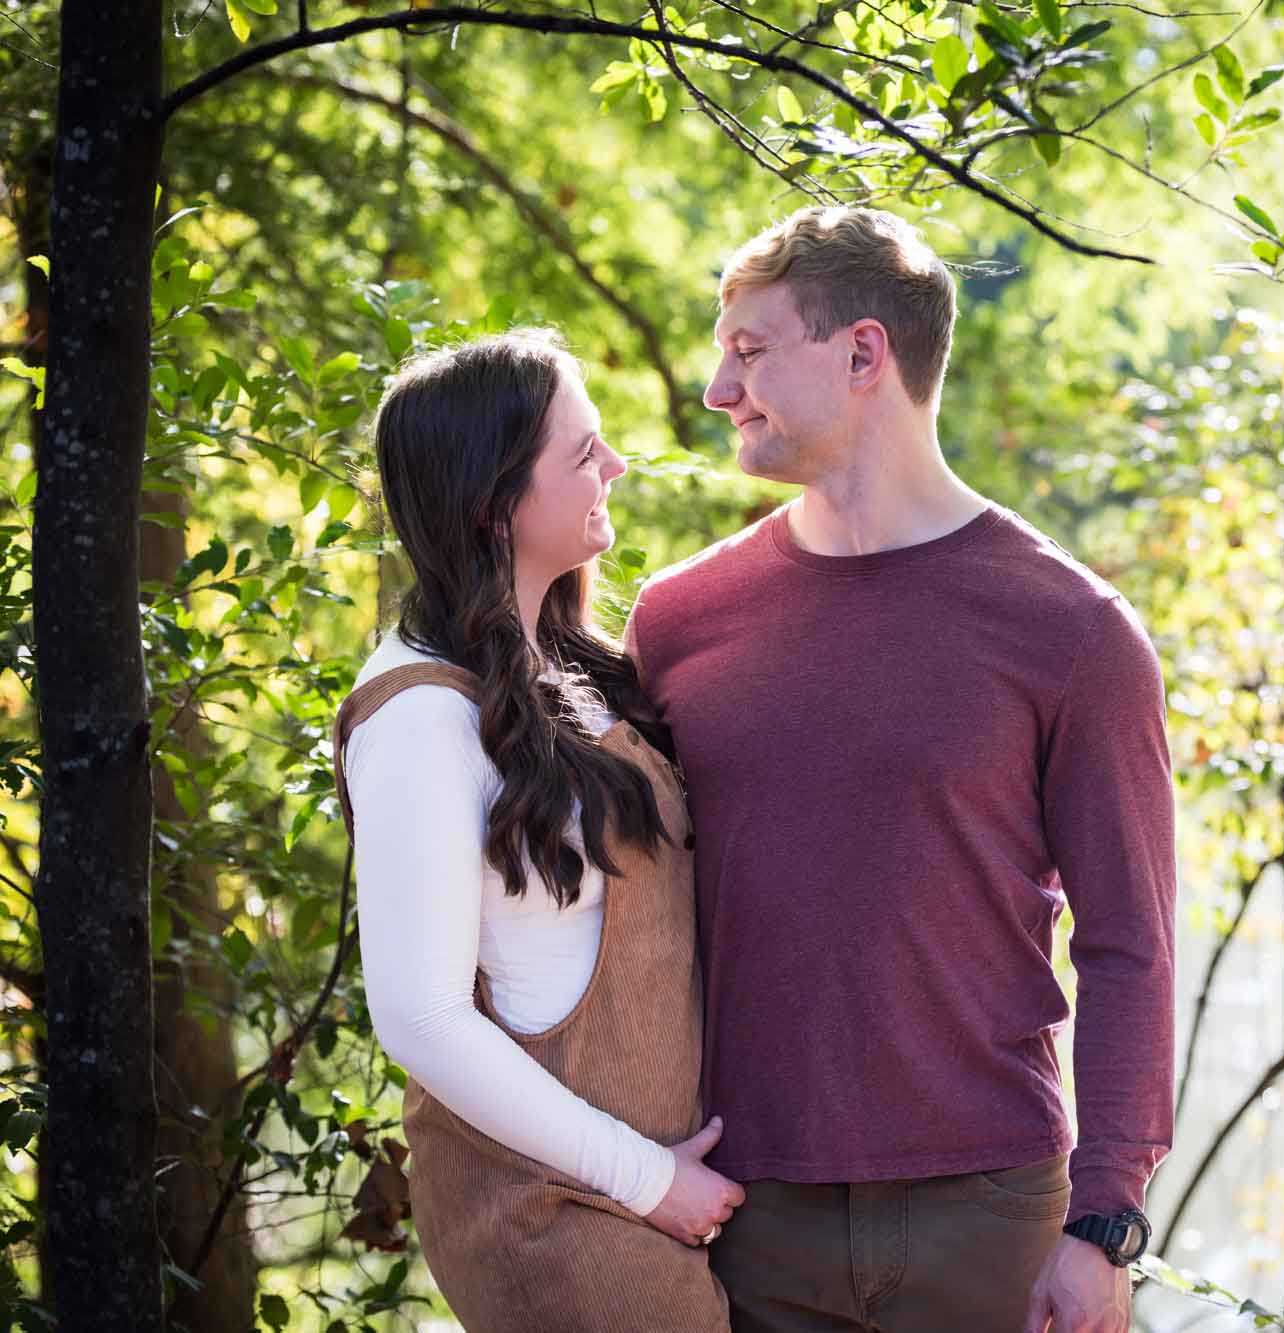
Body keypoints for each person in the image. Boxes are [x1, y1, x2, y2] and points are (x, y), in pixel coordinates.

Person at [625, 207, 1177, 1333]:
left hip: (989, 1214)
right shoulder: (677, 620)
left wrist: (1103, 1219)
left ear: (863, 352)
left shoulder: (1071, 629)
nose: (717, 391)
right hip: (738, 1212)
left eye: (748, 350)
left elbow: (1128, 939)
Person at [334, 329, 739, 1331]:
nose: (616, 465)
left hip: (659, 1198)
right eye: (582, 452)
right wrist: (647, 1180)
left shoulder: (563, 663)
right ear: (492, 502)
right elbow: (419, 1018)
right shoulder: (418, 715)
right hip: (558, 1216)